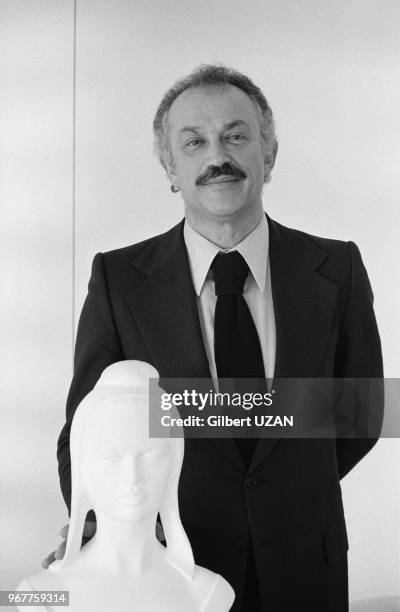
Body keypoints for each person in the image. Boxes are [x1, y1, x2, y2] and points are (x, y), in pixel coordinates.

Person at [48, 64, 383, 611]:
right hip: (174, 571)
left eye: (235, 136)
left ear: (268, 154)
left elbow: (360, 416)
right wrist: (101, 529)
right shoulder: (118, 279)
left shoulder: (338, 268)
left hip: (306, 566)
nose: (216, 156)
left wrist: (285, 482)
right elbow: (85, 432)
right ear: (171, 167)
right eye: (194, 142)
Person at [20, 361, 234, 612]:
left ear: (173, 466)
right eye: (112, 458)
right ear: (83, 468)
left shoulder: (209, 592)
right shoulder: (36, 594)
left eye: (152, 457)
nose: (133, 478)